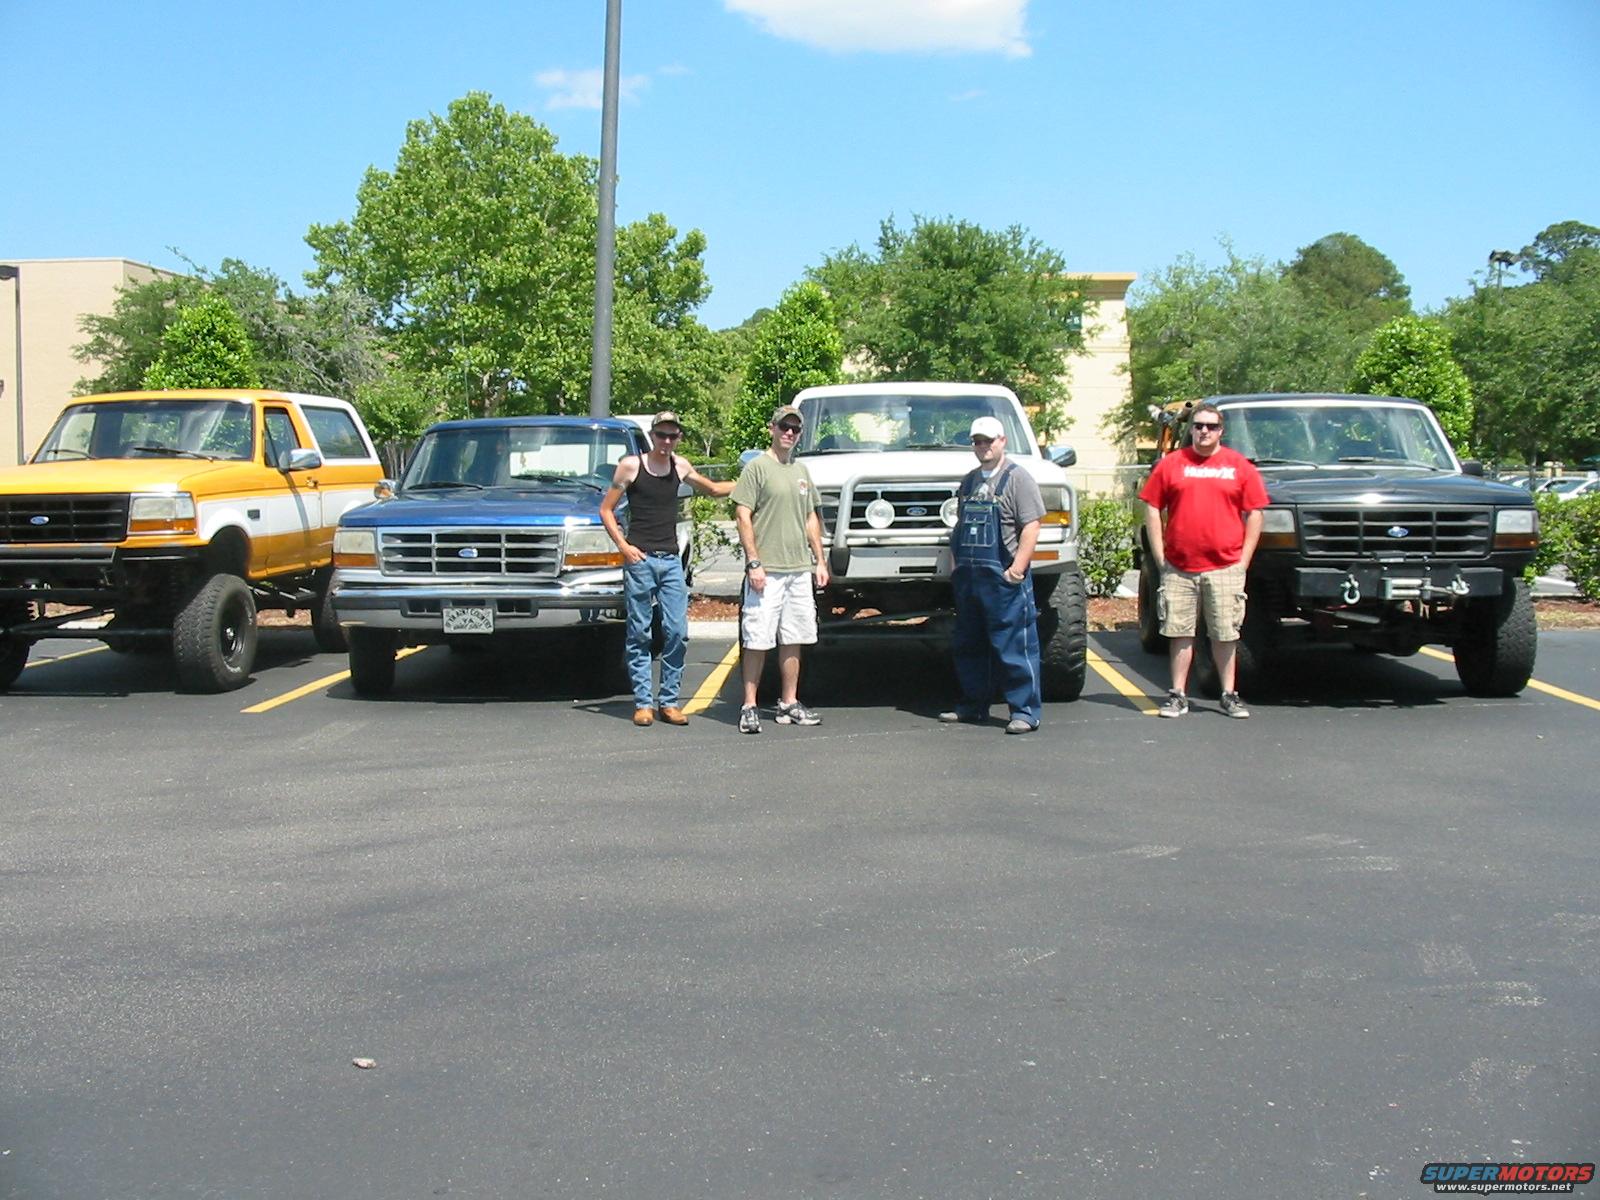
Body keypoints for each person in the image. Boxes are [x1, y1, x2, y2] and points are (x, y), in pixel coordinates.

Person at [600, 411, 733, 727]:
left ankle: (669, 702)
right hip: (641, 560)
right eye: (661, 435)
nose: (666, 441)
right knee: (640, 632)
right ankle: (644, 703)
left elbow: (713, 489)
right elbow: (606, 510)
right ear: (653, 436)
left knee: (677, 632)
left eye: (672, 436)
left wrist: (753, 480)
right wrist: (624, 547)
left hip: (671, 560)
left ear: (679, 438)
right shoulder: (631, 466)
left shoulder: (680, 466)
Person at [1139, 402, 1269, 719]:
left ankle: (1229, 694)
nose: (1204, 431)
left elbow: (1255, 513)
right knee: (1179, 632)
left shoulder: (1239, 466)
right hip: (1179, 568)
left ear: (1221, 431)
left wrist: (1243, 560)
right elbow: (1152, 507)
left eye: (1211, 426)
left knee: (1225, 633)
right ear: (1192, 429)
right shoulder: (1172, 465)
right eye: (1198, 425)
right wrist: (1160, 556)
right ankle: (1177, 695)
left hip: (1226, 566)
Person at [939, 415, 1046, 734]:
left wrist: (1017, 569)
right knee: (969, 645)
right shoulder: (969, 481)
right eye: (977, 441)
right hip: (970, 578)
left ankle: (1025, 712)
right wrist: (956, 566)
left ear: (1002, 441)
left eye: (989, 440)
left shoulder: (1018, 479)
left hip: (1004, 578)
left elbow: (1031, 526)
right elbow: (960, 526)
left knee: (1014, 646)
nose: (983, 446)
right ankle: (973, 706)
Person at [730, 405, 829, 734]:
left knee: (794, 637)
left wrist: (819, 560)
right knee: (757, 638)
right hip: (767, 570)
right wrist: (754, 562)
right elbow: (743, 515)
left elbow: (810, 517)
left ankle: (788, 703)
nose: (789, 433)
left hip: (798, 568)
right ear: (772, 428)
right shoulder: (757, 468)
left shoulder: (801, 471)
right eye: (784, 426)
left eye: (795, 429)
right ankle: (749, 705)